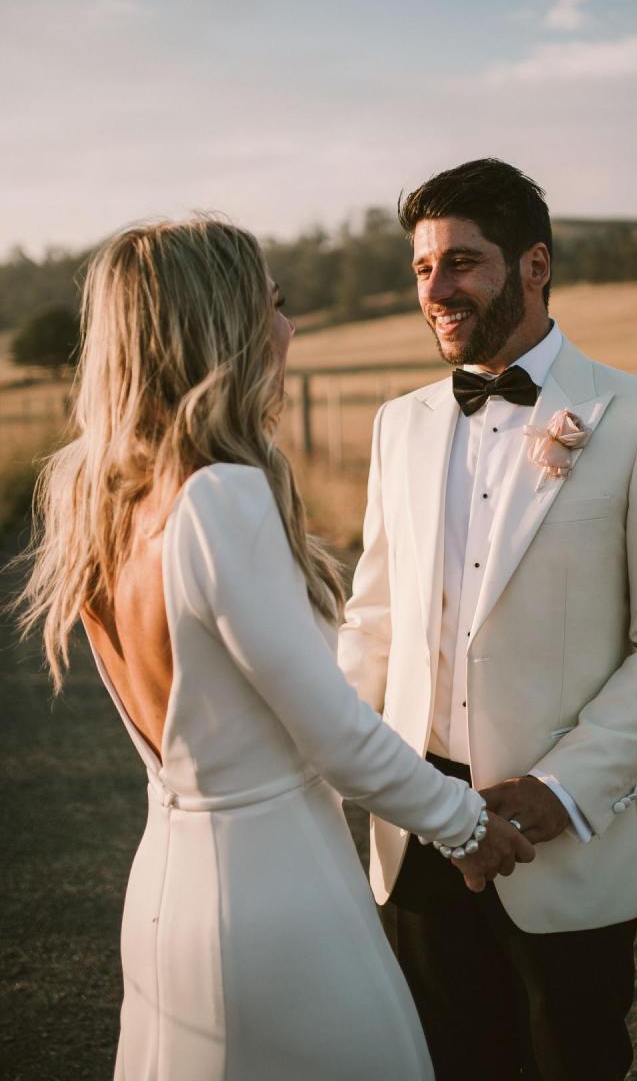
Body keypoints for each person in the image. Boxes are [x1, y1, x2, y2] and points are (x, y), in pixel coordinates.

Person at [15, 216, 533, 1081]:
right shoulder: (220, 496)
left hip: (167, 891)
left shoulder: (92, 488)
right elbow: (332, 732)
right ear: (224, 326)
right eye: (274, 305)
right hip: (273, 899)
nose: (288, 329)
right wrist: (467, 824)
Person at [338, 158, 637, 1080]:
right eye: (424, 268)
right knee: (447, 1059)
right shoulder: (401, 424)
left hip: (567, 835)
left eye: (462, 262)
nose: (437, 289)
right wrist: (332, 756)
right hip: (419, 822)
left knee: (572, 1060)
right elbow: (376, 616)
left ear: (534, 265)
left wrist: (566, 785)